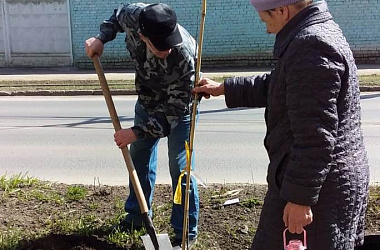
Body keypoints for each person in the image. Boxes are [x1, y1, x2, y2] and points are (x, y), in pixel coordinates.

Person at [193, 0, 369, 249]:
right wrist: (224, 88)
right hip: (321, 180)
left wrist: (300, 199)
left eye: (266, 20)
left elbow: (316, 135)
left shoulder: (311, 45)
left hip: (319, 189)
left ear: (281, 10)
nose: (267, 29)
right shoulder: (315, 32)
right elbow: (280, 85)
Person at [84, 3, 199, 246]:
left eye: (168, 43)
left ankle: (184, 231)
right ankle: (137, 216)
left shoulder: (185, 54)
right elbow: (115, 17)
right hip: (147, 101)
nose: (166, 50)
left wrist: (136, 132)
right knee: (140, 158)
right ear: (142, 35)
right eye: (159, 46)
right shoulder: (134, 15)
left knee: (180, 169)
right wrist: (101, 38)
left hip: (179, 110)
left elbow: (173, 112)